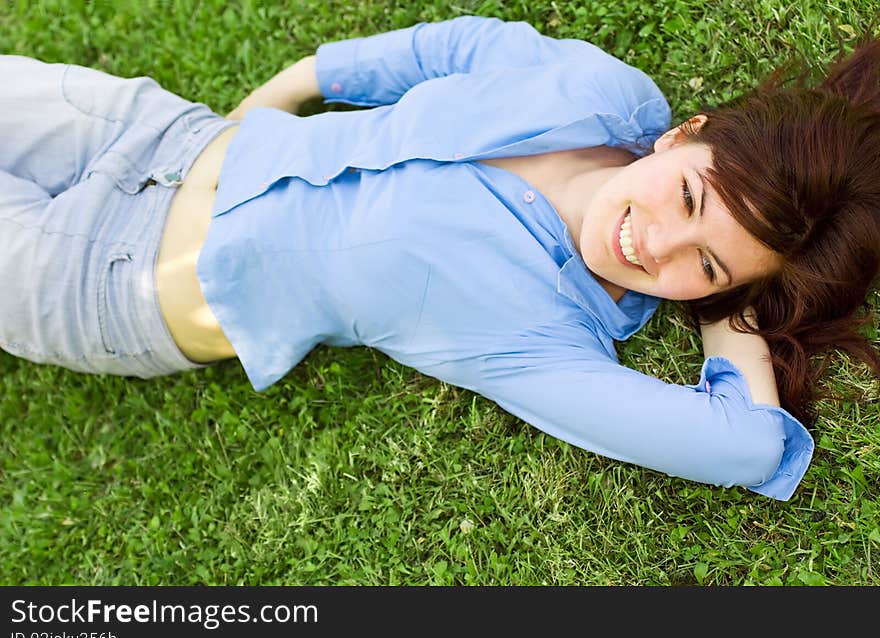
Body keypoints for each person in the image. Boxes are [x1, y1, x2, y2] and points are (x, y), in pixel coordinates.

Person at [2, 16, 878, 502]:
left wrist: (737, 311)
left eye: (707, 265)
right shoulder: (602, 93)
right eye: (689, 199)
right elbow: (456, 49)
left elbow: (744, 445)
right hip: (150, 129)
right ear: (686, 135)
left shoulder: (546, 342)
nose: (653, 244)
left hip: (93, 286)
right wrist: (297, 83)